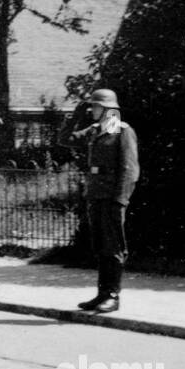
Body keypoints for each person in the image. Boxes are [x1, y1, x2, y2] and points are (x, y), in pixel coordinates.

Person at [69, 89, 140, 314]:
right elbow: (65, 140)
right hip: (96, 195)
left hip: (112, 197)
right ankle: (102, 294)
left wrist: (120, 199)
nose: (92, 110)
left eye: (96, 106)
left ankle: (112, 295)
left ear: (109, 109)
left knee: (113, 246)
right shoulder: (95, 130)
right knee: (100, 246)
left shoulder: (121, 131)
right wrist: (73, 117)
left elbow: (130, 169)